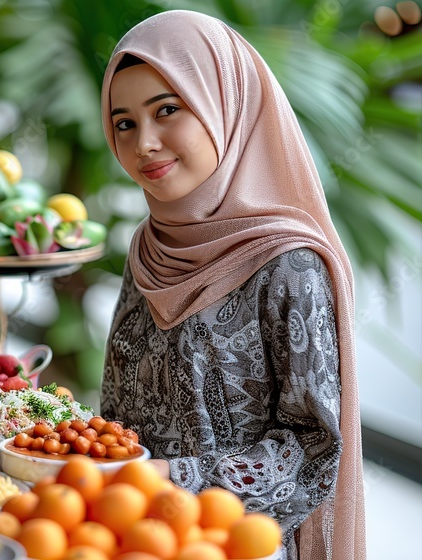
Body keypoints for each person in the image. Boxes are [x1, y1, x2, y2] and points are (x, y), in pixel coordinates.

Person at [99, 11, 365, 560]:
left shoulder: (288, 263)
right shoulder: (150, 246)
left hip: (233, 544)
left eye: (167, 110)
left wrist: (171, 478)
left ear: (226, 105)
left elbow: (313, 447)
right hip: (125, 533)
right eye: (124, 123)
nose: (144, 143)